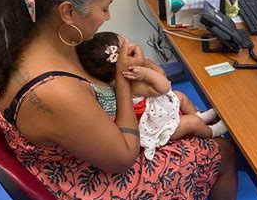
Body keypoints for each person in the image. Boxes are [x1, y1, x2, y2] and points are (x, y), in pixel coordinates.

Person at [0, 0, 237, 200]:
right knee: (223, 151)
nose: (108, 17)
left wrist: (136, 67)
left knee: (188, 120)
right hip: (101, 187)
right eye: (104, 7)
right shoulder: (53, 92)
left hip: (89, 149)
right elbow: (123, 157)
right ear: (68, 12)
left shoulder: (40, 38)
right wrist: (121, 78)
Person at [76, 31, 228, 160]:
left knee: (180, 96)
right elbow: (164, 86)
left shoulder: (121, 76)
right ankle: (212, 131)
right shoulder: (133, 82)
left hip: (157, 108)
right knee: (191, 123)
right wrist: (145, 73)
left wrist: (141, 63)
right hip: (157, 126)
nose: (132, 45)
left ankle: (201, 117)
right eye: (127, 46)